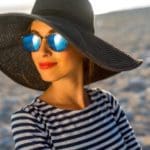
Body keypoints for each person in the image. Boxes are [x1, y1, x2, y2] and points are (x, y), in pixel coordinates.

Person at [0, 0, 143, 149]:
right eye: (33, 40)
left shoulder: (107, 102)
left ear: (82, 47)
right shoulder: (31, 121)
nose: (42, 51)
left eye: (55, 39)